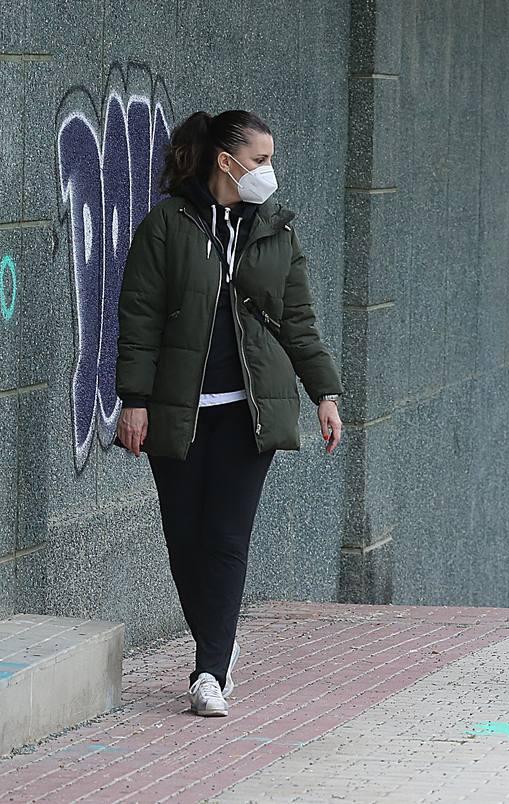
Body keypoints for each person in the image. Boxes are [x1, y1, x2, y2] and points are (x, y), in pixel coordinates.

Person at [116, 110, 344, 718]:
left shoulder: (276, 232)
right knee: (185, 540)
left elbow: (298, 319)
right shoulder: (167, 225)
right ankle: (217, 636)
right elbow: (138, 319)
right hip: (178, 411)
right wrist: (133, 401)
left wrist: (325, 392)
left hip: (250, 414)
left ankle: (210, 668)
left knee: (225, 538)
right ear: (227, 161)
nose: (270, 172)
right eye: (261, 160)